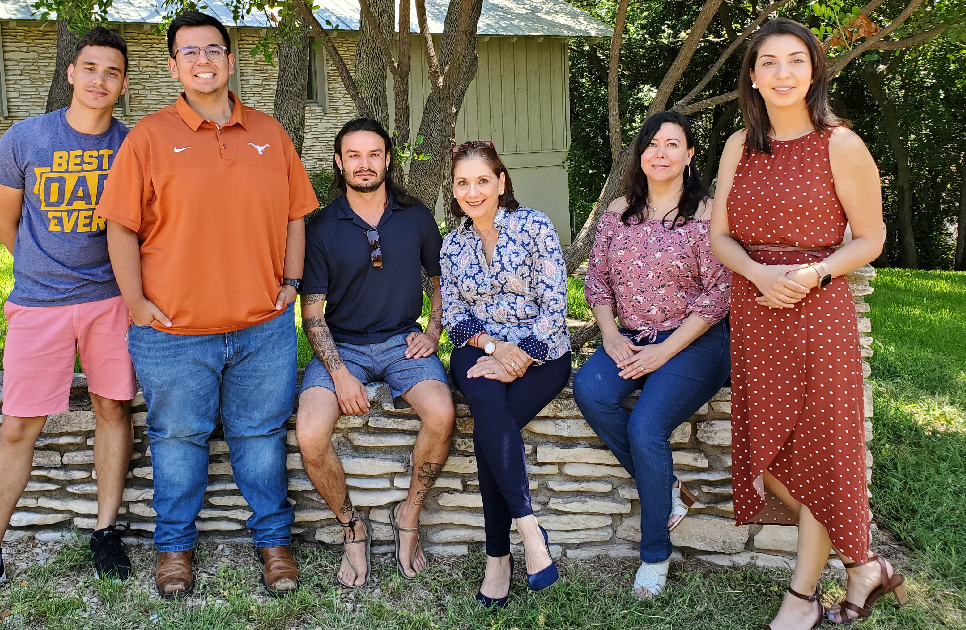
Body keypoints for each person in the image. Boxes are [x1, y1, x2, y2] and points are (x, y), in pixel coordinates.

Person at [95, 10, 319, 598]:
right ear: (173, 66)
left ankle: (274, 543)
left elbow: (297, 215)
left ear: (230, 58)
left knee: (261, 439)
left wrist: (291, 283)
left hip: (262, 328)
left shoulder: (272, 133)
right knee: (176, 441)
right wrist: (136, 303)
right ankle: (174, 551)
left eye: (213, 50)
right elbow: (120, 228)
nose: (203, 61)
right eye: (189, 52)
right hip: (172, 332)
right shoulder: (147, 138)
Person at [0, 27, 136, 621]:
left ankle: (104, 531)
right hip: (38, 305)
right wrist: (43, 272)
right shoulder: (25, 138)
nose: (100, 80)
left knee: (112, 410)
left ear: (123, 85)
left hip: (110, 301)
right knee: (19, 425)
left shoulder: (133, 146)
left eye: (113, 72)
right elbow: (6, 223)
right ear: (71, 73)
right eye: (90, 68)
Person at [709, 18, 897, 630]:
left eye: (795, 61)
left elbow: (871, 238)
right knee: (769, 456)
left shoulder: (840, 144)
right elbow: (720, 238)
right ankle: (863, 562)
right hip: (758, 313)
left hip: (817, 313)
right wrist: (758, 275)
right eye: (768, 62)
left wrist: (812, 274)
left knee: (819, 455)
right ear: (753, 77)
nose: (783, 73)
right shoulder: (739, 145)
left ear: (813, 70)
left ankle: (803, 597)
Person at [572, 111, 731, 599]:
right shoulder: (619, 211)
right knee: (591, 390)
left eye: (672, 144)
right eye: (652, 143)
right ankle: (669, 490)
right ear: (640, 154)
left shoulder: (706, 213)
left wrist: (663, 352)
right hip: (631, 334)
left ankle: (655, 556)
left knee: (646, 425)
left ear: (689, 155)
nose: (660, 152)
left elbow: (719, 293)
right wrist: (611, 337)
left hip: (696, 341)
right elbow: (596, 280)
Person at [295, 118, 456, 587]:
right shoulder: (322, 227)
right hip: (342, 346)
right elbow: (312, 315)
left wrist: (434, 331)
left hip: (404, 341)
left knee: (443, 414)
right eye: (354, 156)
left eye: (373, 155)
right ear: (339, 163)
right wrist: (342, 375)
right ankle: (352, 528)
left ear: (388, 159)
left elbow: (440, 282)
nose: (364, 165)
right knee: (309, 433)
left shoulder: (417, 216)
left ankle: (409, 517)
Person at [440, 141, 571, 607]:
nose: (472, 191)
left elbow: (557, 306)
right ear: (453, 190)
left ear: (500, 182)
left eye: (481, 180)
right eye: (462, 183)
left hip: (543, 354)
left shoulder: (534, 226)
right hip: (478, 350)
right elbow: (454, 315)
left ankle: (499, 557)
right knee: (487, 401)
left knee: (489, 429)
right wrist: (496, 348)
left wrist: (520, 354)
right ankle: (531, 535)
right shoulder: (452, 243)